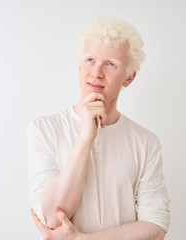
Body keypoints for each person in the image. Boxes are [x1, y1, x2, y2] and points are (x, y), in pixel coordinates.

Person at [27, 17, 170, 240]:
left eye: (111, 64)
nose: (96, 72)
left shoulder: (146, 142)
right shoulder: (44, 129)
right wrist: (85, 138)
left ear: (129, 78)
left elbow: (156, 226)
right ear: (79, 67)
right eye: (90, 60)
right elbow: (53, 219)